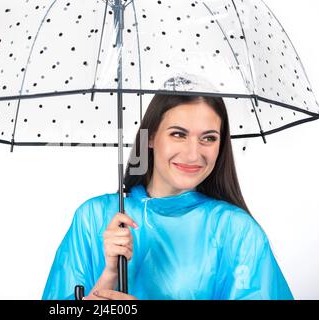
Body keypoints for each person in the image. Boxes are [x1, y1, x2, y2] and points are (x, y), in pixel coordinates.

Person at [41, 91, 294, 300]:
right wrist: (109, 274)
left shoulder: (237, 231)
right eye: (178, 134)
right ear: (150, 137)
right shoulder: (94, 217)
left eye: (208, 138)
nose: (193, 154)